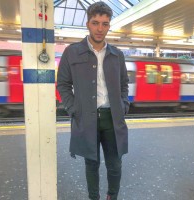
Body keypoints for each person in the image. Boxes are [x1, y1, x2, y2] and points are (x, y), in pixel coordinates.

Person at [57, 2, 129, 200]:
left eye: (105, 24)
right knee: (92, 163)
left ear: (108, 26)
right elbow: (63, 84)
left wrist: (123, 105)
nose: (100, 28)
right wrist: (73, 108)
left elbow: (124, 84)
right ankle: (94, 197)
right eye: (95, 23)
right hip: (86, 118)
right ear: (87, 23)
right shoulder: (72, 52)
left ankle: (111, 196)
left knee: (115, 164)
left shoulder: (117, 55)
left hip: (112, 118)